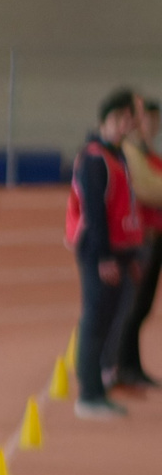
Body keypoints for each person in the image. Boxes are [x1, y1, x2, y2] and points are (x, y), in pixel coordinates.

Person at [69, 88, 146, 419]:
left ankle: (98, 387)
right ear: (107, 120)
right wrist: (104, 258)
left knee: (110, 317)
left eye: (129, 118)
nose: (126, 124)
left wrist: (133, 252)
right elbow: (95, 212)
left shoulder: (119, 154)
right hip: (101, 250)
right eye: (121, 118)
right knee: (96, 319)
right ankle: (88, 393)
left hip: (122, 249)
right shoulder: (94, 158)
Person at [112, 98, 162, 393]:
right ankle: (122, 365)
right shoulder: (130, 153)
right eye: (147, 120)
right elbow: (148, 189)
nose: (152, 127)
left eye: (156, 122)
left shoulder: (148, 154)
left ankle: (133, 365)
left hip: (155, 236)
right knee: (133, 305)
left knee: (142, 306)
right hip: (141, 237)